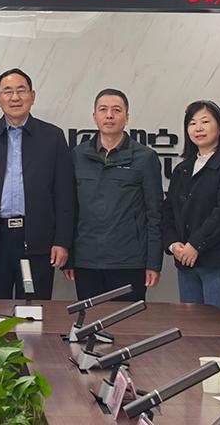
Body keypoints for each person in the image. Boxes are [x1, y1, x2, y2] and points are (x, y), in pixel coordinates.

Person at [0, 68, 74, 299]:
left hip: (37, 240)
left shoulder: (52, 137)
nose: (15, 97)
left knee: (34, 312)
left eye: (21, 91)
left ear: (32, 96)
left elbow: (65, 195)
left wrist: (62, 241)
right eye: (8, 91)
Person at [66, 88, 163, 302]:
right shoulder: (78, 155)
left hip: (129, 262)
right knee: (90, 321)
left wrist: (153, 263)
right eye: (103, 110)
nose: (109, 115)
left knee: (127, 322)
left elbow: (155, 214)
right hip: (87, 261)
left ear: (126, 117)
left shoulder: (145, 158)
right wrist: (70, 258)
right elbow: (70, 209)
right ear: (95, 116)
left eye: (116, 110)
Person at [161, 100, 220, 315]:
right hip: (187, 264)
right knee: (192, 329)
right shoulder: (182, 169)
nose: (198, 128)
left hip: (219, 265)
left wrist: (195, 245)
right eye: (192, 123)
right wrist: (174, 245)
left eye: (205, 122)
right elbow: (168, 211)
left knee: (218, 330)